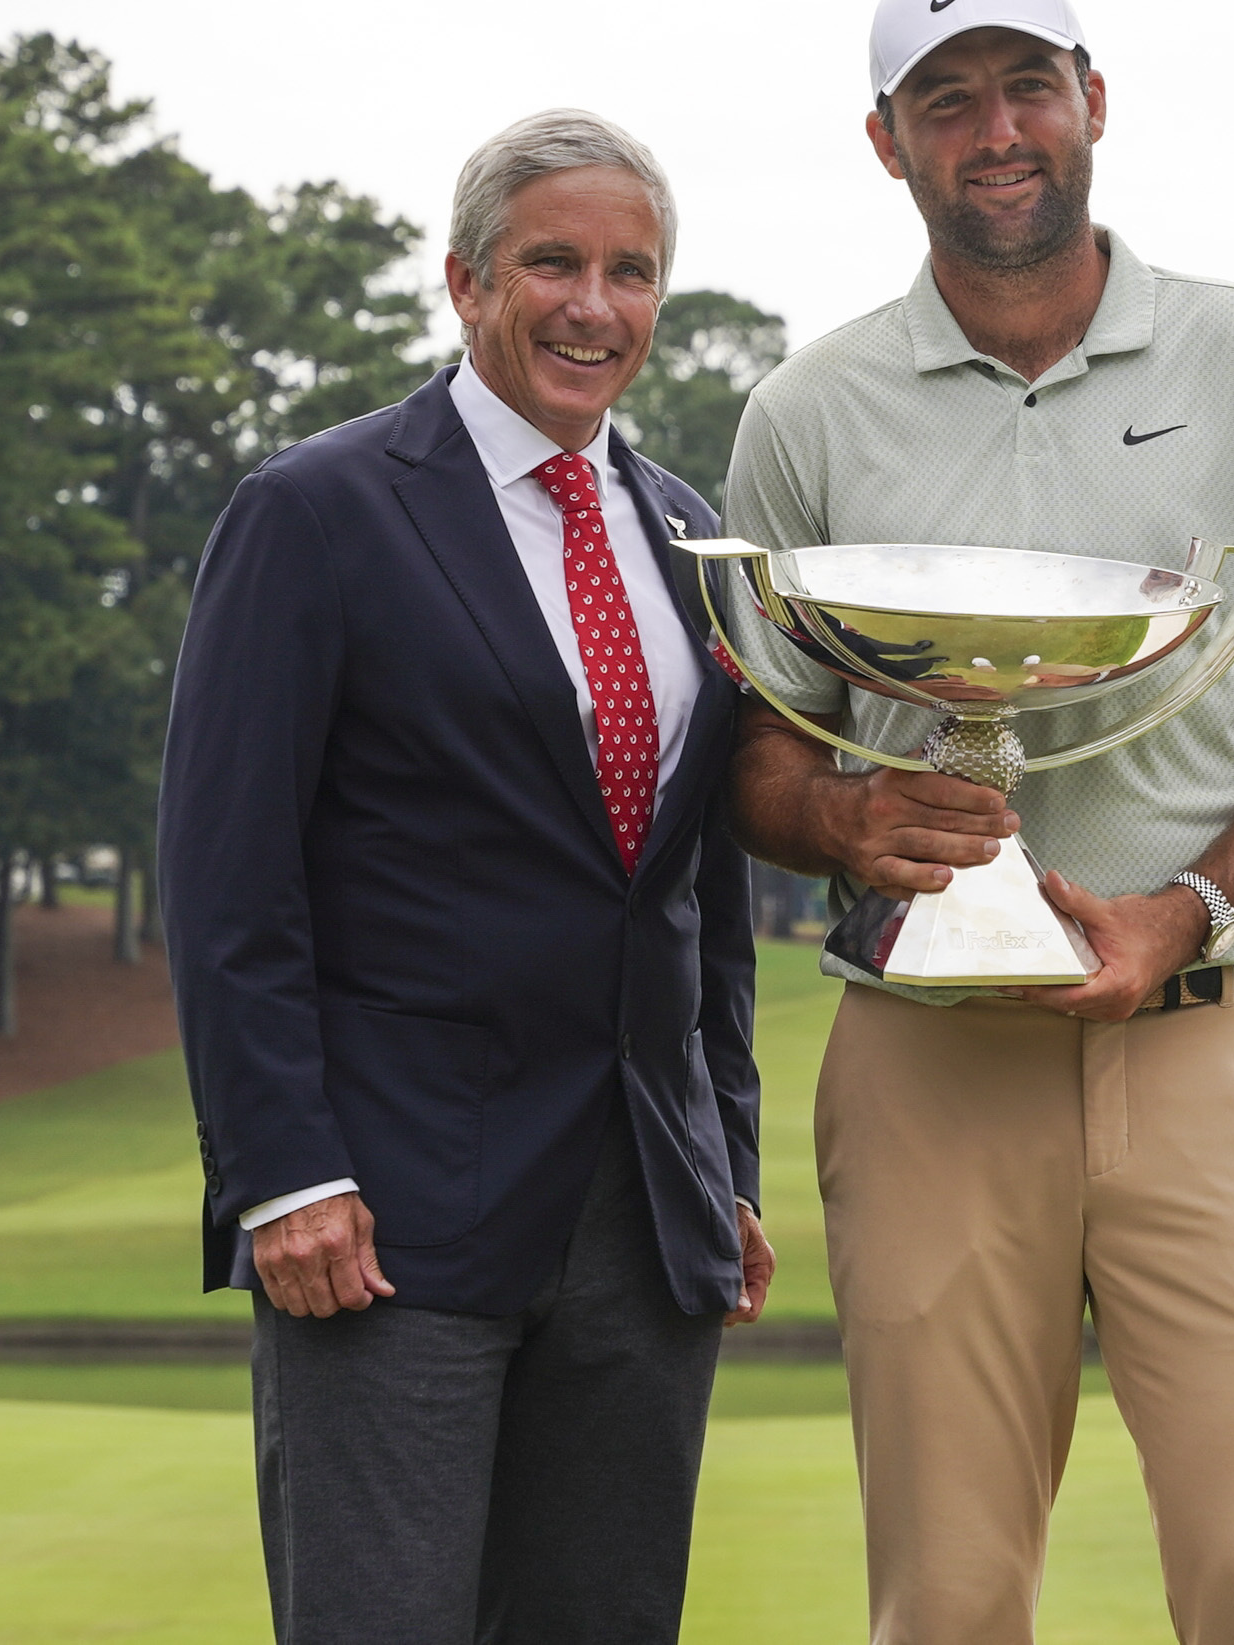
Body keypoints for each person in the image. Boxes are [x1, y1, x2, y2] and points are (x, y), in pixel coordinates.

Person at [724, 0, 1234, 1644]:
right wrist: (836, 822)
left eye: (1027, 86)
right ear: (885, 142)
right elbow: (762, 746)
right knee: (947, 1605)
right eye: (947, 101)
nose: (998, 131)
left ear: (1093, 101)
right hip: (928, 1060)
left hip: (1214, 1029)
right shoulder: (807, 408)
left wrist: (1188, 906)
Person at [160, 109, 772, 1645]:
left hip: (643, 1223)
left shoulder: (696, 537)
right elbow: (230, 882)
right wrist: (283, 1174)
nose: (592, 304)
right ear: (464, 280)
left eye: (631, 272)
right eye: (551, 262)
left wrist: (726, 1167)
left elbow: (697, 898)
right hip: (389, 1222)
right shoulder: (317, 511)